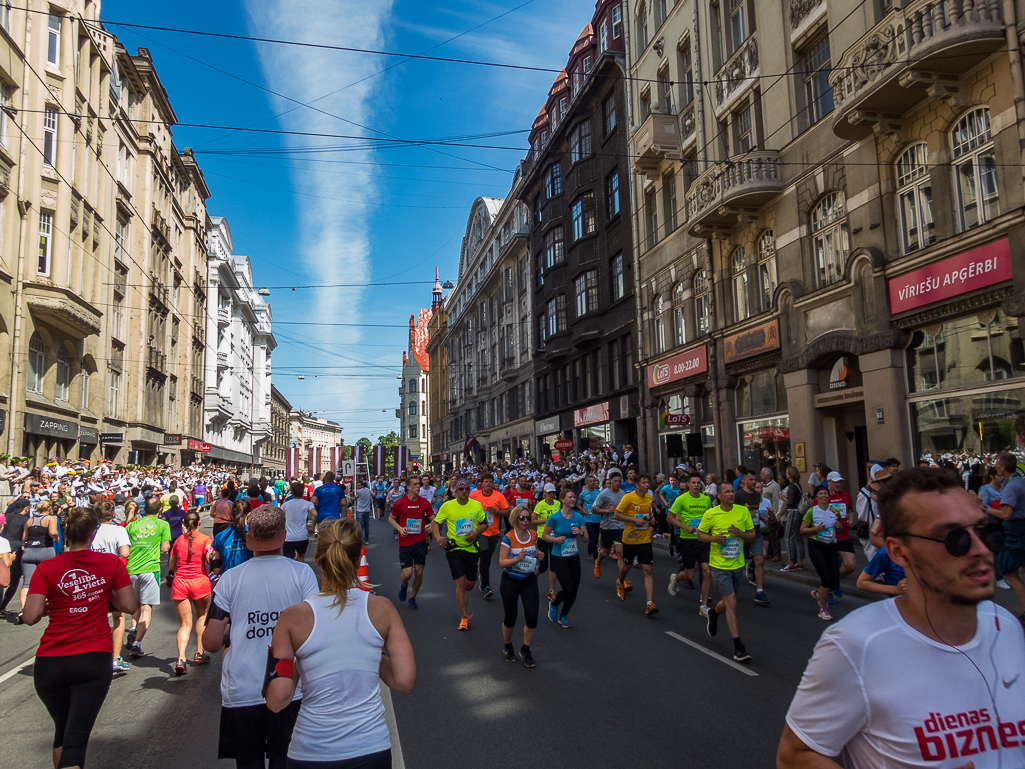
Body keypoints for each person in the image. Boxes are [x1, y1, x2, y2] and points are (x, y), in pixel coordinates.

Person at [778, 468, 1025, 768]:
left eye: (985, 532)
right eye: (954, 538)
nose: (981, 550)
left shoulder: (1007, 626)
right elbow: (795, 756)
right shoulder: (855, 645)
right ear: (898, 551)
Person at [265, 518, 416, 769]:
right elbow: (404, 681)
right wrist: (369, 655)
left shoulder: (291, 618)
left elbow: (276, 699)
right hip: (371, 747)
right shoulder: (383, 610)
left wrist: (296, 666)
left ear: (318, 557)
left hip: (311, 751)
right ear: (359, 559)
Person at [202, 504, 319, 769]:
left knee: (248, 763)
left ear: (249, 537)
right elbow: (314, 630)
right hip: (290, 687)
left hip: (242, 688)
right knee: (286, 760)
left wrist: (236, 629)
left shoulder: (230, 580)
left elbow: (210, 642)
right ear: (284, 535)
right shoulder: (302, 574)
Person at [23, 507, 138, 769]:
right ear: (93, 533)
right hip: (92, 658)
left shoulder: (47, 568)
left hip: (50, 661)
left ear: (66, 532)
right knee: (76, 738)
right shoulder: (110, 564)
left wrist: (53, 604)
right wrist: (103, 592)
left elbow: (30, 616)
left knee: (63, 731)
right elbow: (130, 606)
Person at [696, 483, 755, 663]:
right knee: (732, 602)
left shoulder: (742, 511)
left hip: (737, 565)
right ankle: (738, 646)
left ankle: (713, 613)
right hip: (719, 565)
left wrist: (741, 533)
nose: (731, 494)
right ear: (719, 495)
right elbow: (700, 535)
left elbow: (752, 534)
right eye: (727, 492)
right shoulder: (711, 514)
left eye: (732, 491)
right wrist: (714, 538)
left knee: (728, 603)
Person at [432, 479, 488, 630]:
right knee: (461, 582)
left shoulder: (476, 505)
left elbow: (484, 524)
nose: (464, 491)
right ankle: (464, 617)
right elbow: (436, 523)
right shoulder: (448, 506)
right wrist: (437, 537)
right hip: (454, 548)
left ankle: (469, 588)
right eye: (461, 489)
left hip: (471, 548)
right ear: (455, 491)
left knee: (469, 585)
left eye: (466, 489)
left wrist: (476, 532)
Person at [124, 498, 171, 658]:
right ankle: (137, 644)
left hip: (131, 569)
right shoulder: (163, 525)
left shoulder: (131, 525)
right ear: (160, 510)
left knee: (136, 605)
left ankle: (132, 630)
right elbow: (165, 548)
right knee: (146, 607)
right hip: (150, 569)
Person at [168, 511, 213, 676]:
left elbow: (172, 566)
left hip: (180, 583)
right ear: (199, 523)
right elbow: (210, 558)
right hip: (200, 582)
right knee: (201, 616)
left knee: (185, 624)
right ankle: (199, 652)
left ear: (185, 524)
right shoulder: (205, 539)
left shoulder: (178, 541)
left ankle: (181, 658)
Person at [89, 500, 132, 677]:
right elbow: (125, 553)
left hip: (92, 578)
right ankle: (115, 658)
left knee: (96, 618)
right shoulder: (118, 530)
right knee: (119, 617)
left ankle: (96, 657)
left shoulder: (91, 531)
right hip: (112, 578)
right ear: (113, 515)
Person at [498, 503, 541, 667]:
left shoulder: (533, 534)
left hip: (528, 579)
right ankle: (508, 645)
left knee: (532, 616)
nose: (525, 520)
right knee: (511, 617)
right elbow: (502, 562)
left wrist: (539, 554)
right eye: (522, 518)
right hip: (510, 580)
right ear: (515, 519)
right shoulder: (509, 537)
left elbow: (534, 552)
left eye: (527, 518)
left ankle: (526, 649)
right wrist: (516, 559)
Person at [667, 472, 713, 614]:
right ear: (688, 484)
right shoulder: (682, 499)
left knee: (706, 571)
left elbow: (711, 517)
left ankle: (703, 606)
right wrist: (685, 527)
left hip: (703, 539)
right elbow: (670, 517)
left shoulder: (706, 500)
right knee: (689, 575)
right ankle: (675, 578)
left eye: (698, 483)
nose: (696, 485)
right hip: (687, 540)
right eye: (693, 483)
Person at [388, 475, 434, 609]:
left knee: (419, 572)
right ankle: (404, 585)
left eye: (418, 484)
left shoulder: (424, 503)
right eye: (415, 484)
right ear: (408, 487)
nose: (418, 486)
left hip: (420, 541)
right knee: (407, 574)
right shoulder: (399, 503)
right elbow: (391, 519)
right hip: (405, 543)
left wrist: (430, 526)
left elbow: (433, 518)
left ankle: (413, 597)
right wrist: (399, 528)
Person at [614, 473, 658, 615]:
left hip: (644, 539)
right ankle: (620, 582)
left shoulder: (649, 498)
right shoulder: (628, 497)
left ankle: (649, 603)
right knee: (626, 566)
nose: (647, 485)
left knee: (648, 570)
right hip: (630, 538)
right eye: (644, 483)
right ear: (637, 485)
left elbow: (649, 515)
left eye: (648, 483)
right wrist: (633, 519)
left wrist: (651, 520)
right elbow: (617, 514)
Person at [543, 489, 587, 627]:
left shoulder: (578, 517)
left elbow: (586, 539)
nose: (573, 499)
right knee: (568, 588)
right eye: (570, 497)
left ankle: (564, 615)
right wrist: (556, 540)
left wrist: (580, 532)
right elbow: (544, 535)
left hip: (573, 556)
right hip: (558, 556)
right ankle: (554, 603)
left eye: (574, 497)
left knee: (574, 589)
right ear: (562, 499)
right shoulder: (555, 518)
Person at [992, 451, 1025, 622]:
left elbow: (1006, 514)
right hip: (1020, 527)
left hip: (1014, 529)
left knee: (1011, 572)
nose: (995, 465)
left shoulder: (1012, 485)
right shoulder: (1019, 481)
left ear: (1003, 467)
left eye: (997, 463)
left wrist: (984, 508)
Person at [801, 485, 842, 621]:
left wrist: (839, 526)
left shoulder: (835, 510)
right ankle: (823, 608)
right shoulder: (812, 512)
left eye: (826, 493)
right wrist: (816, 528)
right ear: (816, 497)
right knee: (826, 578)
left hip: (831, 546)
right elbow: (802, 530)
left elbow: (840, 528)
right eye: (821, 494)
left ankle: (820, 593)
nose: (824, 496)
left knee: (834, 581)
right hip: (816, 546)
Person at [16, 499, 61, 622]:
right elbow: (52, 532)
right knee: (52, 579)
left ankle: (23, 610)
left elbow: (24, 538)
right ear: (48, 508)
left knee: (27, 582)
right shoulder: (51, 518)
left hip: (29, 552)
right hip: (45, 550)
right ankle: (53, 606)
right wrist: (56, 538)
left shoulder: (29, 520)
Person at [470, 472, 509, 601]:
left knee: (487, 558)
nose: (488, 484)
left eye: (490, 482)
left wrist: (496, 511)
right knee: (485, 555)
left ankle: (483, 575)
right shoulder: (474, 495)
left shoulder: (499, 496)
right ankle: (487, 586)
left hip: (494, 532)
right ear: (481, 483)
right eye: (486, 482)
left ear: (493, 483)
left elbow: (507, 512)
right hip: (480, 532)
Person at [734, 469, 770, 605]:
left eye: (755, 480)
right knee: (738, 563)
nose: (754, 482)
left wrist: (761, 517)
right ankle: (732, 590)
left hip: (755, 532)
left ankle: (759, 591)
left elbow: (754, 510)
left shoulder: (756, 495)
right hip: (741, 534)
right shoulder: (738, 495)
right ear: (743, 481)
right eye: (751, 480)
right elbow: (734, 513)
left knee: (760, 560)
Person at [593, 469, 626, 578]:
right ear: (610, 481)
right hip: (607, 527)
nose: (618, 483)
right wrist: (607, 511)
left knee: (620, 553)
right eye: (615, 481)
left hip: (620, 527)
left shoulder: (623, 494)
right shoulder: (604, 494)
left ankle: (621, 581)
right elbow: (594, 509)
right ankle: (598, 561)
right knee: (605, 552)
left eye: (619, 481)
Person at [0, 497, 30, 616]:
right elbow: (24, 537)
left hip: (3, 546)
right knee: (14, 580)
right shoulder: (25, 520)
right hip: (15, 550)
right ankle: (2, 607)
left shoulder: (6, 516)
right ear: (26, 509)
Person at [531, 482, 561, 599]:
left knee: (554, 565)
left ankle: (551, 590)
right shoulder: (540, 505)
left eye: (553, 492)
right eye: (549, 493)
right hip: (543, 536)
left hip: (555, 536)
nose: (551, 495)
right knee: (543, 566)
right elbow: (532, 521)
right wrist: (547, 520)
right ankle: (534, 575)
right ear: (544, 493)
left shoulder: (558, 504)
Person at [211, 499, 254, 577]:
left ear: (231, 514)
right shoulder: (254, 534)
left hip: (228, 579)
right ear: (249, 514)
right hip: (250, 577)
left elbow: (216, 569)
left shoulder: (220, 536)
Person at [780, 466, 806, 572]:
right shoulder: (798, 485)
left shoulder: (791, 486)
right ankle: (800, 561)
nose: (786, 475)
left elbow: (790, 502)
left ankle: (791, 561)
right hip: (799, 513)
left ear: (790, 474)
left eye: (787, 473)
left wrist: (784, 498)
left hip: (793, 512)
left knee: (788, 537)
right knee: (798, 538)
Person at [281, 482, 314, 562]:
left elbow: (279, 516)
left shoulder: (286, 504)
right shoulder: (308, 504)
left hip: (288, 537)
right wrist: (312, 527)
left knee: (289, 560)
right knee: (301, 557)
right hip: (302, 536)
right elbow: (315, 514)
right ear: (303, 492)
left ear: (291, 492)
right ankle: (301, 573)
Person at [578, 474, 602, 562]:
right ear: (587, 483)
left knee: (595, 538)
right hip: (588, 519)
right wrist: (582, 510)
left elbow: (602, 503)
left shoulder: (599, 493)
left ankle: (590, 546)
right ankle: (596, 556)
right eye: (590, 481)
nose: (592, 483)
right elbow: (578, 503)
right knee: (592, 537)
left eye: (593, 481)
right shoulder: (583, 494)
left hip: (598, 518)